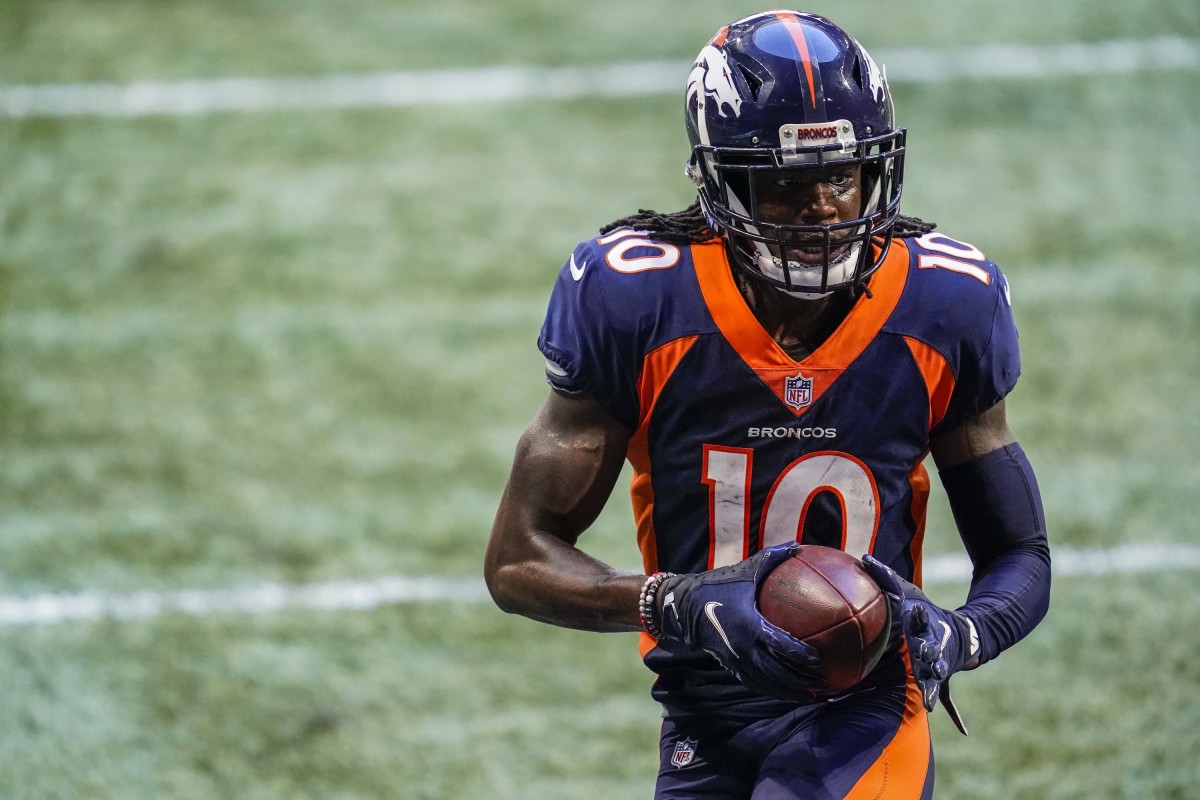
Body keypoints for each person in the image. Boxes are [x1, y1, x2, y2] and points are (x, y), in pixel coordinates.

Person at [484, 10, 1051, 799]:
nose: (822, 205)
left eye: (841, 174)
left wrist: (962, 633)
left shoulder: (944, 301)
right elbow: (517, 559)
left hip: (868, 707)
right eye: (786, 183)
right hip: (702, 706)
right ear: (722, 181)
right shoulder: (634, 299)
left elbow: (1022, 555)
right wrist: (677, 602)